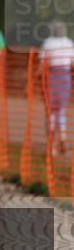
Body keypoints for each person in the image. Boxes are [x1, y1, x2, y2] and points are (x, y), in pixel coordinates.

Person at [41, 22, 73, 156]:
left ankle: (51, 145)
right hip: (65, 77)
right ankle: (63, 137)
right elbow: (72, 63)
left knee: (51, 112)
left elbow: (43, 62)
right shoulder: (69, 43)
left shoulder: (48, 43)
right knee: (61, 111)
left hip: (52, 77)